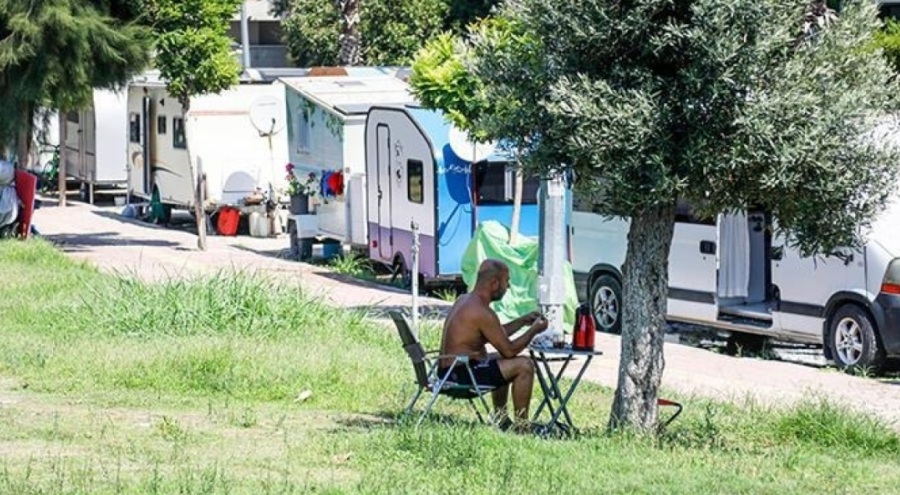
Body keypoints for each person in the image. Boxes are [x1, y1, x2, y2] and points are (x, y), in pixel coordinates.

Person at [438, 258, 549, 431]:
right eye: (507, 281)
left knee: (500, 360)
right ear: (494, 283)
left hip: (448, 371)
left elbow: (495, 334)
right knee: (524, 365)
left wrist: (522, 321)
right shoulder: (482, 312)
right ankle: (521, 427)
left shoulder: (465, 300)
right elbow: (509, 350)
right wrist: (534, 330)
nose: (509, 287)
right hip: (458, 377)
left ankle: (502, 419)